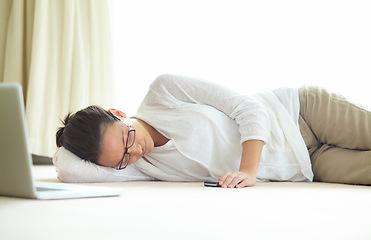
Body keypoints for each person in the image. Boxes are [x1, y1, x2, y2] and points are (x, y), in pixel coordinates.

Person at [56, 74, 371, 188]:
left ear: (118, 113)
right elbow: (68, 169)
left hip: (300, 113)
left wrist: (248, 171)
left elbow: (248, 107)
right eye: (122, 159)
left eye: (127, 138)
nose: (136, 152)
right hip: (306, 164)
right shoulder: (143, 168)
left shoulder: (163, 91)